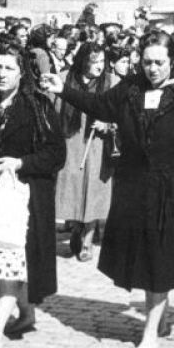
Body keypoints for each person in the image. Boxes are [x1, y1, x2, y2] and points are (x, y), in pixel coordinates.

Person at [41, 31, 174, 348]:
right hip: (134, 186)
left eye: (159, 62)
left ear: (173, 62)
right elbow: (99, 105)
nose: (152, 68)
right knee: (147, 257)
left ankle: (150, 332)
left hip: (173, 189)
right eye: (147, 62)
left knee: (159, 255)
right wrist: (64, 90)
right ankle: (161, 319)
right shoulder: (130, 88)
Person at [0, 43, 66, 348]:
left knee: (11, 258)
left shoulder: (38, 106)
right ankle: (26, 313)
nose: (1, 74)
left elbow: (56, 154)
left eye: (9, 68)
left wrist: (20, 163)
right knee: (3, 258)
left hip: (24, 197)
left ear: (22, 73)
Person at [54, 43, 115, 262]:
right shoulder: (63, 78)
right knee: (74, 190)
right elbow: (52, 111)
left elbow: (123, 114)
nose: (99, 66)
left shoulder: (111, 82)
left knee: (94, 190)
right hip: (71, 144)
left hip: (99, 145)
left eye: (102, 61)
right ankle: (77, 228)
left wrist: (108, 124)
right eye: (93, 61)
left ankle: (88, 239)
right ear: (82, 61)